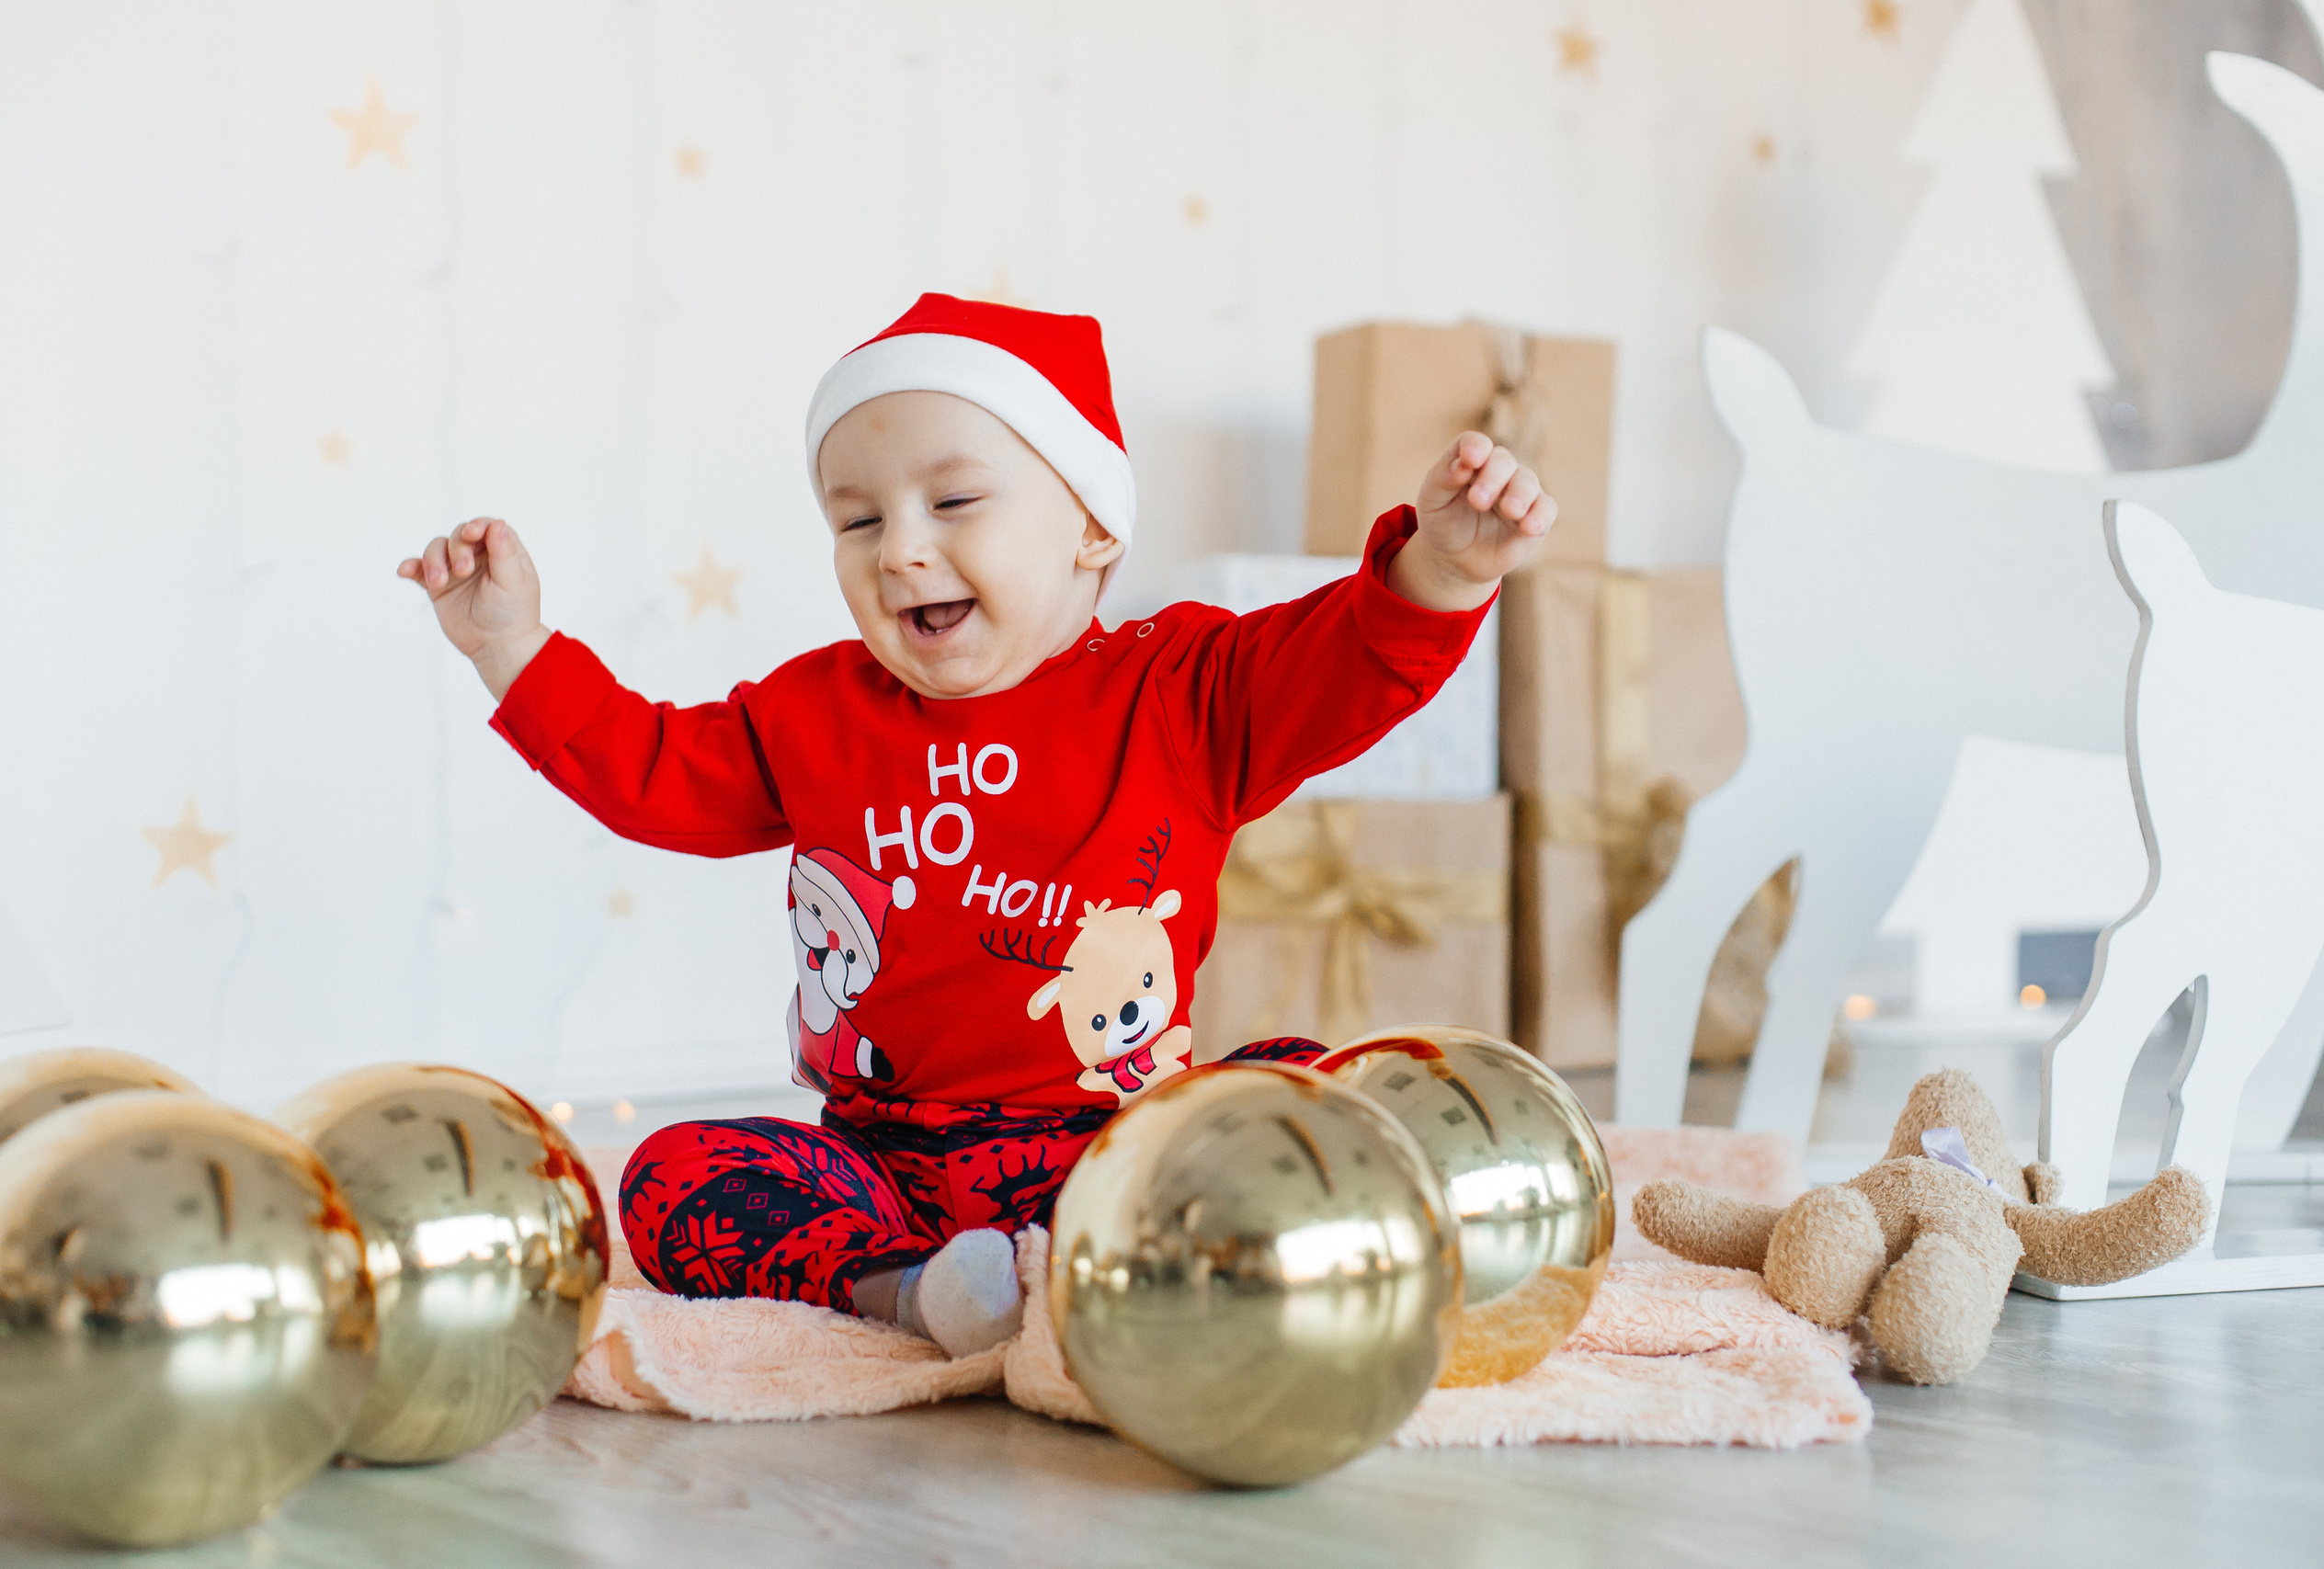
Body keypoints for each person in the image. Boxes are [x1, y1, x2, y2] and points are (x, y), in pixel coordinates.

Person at [397, 293, 1555, 1356]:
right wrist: (513, 651)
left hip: (1122, 1151)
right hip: (879, 1167)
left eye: (951, 501)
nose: (898, 547)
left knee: (1307, 1089)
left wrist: (1441, 568)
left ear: (1093, 528)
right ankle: (911, 1291)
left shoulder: (1183, 688)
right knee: (669, 1175)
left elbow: (1346, 660)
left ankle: (1162, 1257)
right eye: (856, 521)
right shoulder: (815, 711)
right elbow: (652, 769)